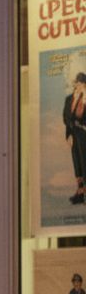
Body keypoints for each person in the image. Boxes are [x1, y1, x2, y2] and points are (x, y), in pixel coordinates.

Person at [63, 72, 86, 205]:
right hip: (74, 134)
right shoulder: (69, 98)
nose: (76, 85)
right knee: (77, 162)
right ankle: (80, 192)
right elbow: (66, 117)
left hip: (84, 133)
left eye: (79, 83)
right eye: (76, 83)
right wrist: (69, 134)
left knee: (84, 161)